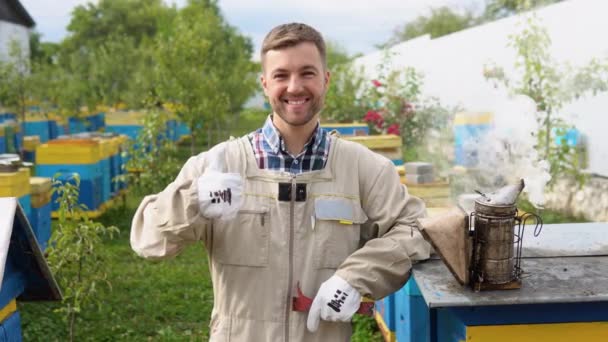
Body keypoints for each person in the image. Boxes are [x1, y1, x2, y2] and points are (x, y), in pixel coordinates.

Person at [131, 23, 431, 341]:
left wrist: (355, 279)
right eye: (281, 76)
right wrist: (194, 198)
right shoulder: (218, 166)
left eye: (307, 73)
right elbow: (148, 241)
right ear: (264, 84)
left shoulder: (363, 168)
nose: (294, 87)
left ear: (325, 79)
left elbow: (414, 230)